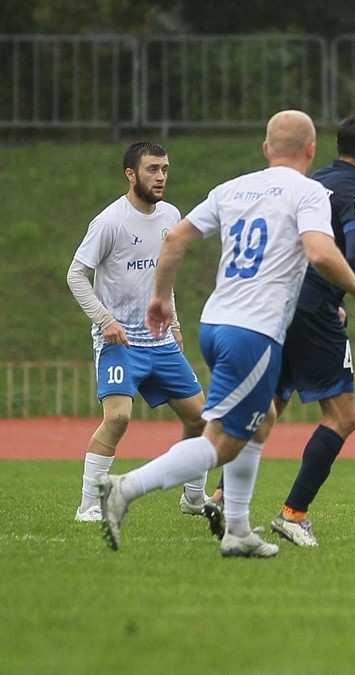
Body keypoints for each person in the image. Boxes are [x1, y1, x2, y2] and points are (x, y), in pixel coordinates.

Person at [96, 110, 355, 558]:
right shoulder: (308, 191)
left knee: (261, 421)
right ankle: (125, 487)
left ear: (266, 149)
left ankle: (239, 530)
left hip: (216, 324)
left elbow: (175, 240)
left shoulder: (232, 188)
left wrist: (160, 298)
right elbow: (321, 252)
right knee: (222, 443)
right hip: (255, 331)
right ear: (311, 150)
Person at [269, 114, 355, 547]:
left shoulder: (315, 181)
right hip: (313, 307)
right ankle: (293, 513)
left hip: (279, 299)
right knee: (343, 416)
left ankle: (222, 494)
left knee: (270, 403)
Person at [67, 141, 210, 523]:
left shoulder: (171, 215)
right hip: (120, 342)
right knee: (118, 418)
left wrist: (173, 324)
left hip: (159, 340)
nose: (161, 177)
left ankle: (194, 499)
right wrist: (104, 320)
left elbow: (164, 275)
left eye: (165, 169)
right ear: (130, 174)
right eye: (152, 169)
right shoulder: (109, 222)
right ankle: (88, 505)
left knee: (201, 419)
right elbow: (76, 275)